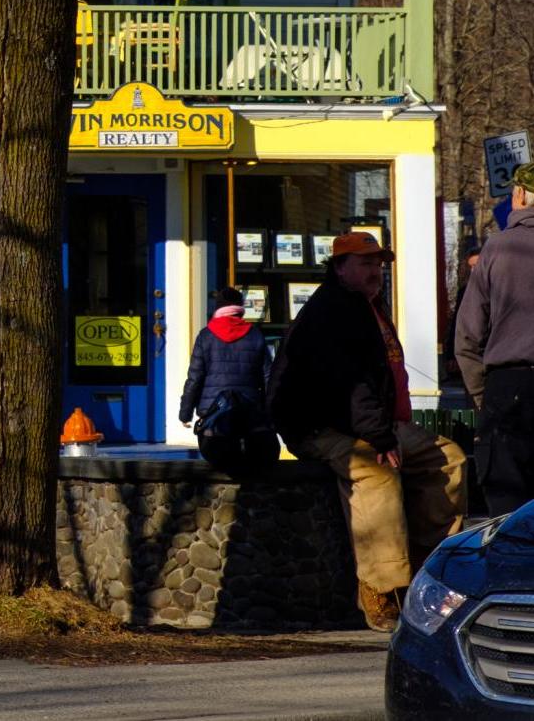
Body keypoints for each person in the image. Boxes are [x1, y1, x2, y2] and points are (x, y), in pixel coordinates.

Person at [269, 230, 465, 631]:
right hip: (319, 424)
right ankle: (382, 588)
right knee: (376, 474)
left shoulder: (368, 306)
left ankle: (432, 570)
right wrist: (379, 437)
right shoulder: (334, 310)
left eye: (378, 263)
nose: (375, 270)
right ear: (339, 267)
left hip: (368, 419)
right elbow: (349, 382)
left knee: (448, 458)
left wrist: (385, 429)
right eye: (365, 263)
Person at [456, 161, 534, 518]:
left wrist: (482, 396)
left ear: (518, 195)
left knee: (508, 513)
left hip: (509, 388)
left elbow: (468, 337)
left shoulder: (497, 249)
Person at [179, 285, 276, 476]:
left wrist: (185, 413)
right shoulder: (255, 335)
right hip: (249, 420)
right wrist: (269, 412)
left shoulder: (206, 336)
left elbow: (194, 378)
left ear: (218, 308)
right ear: (240, 308)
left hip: (215, 425)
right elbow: (268, 378)